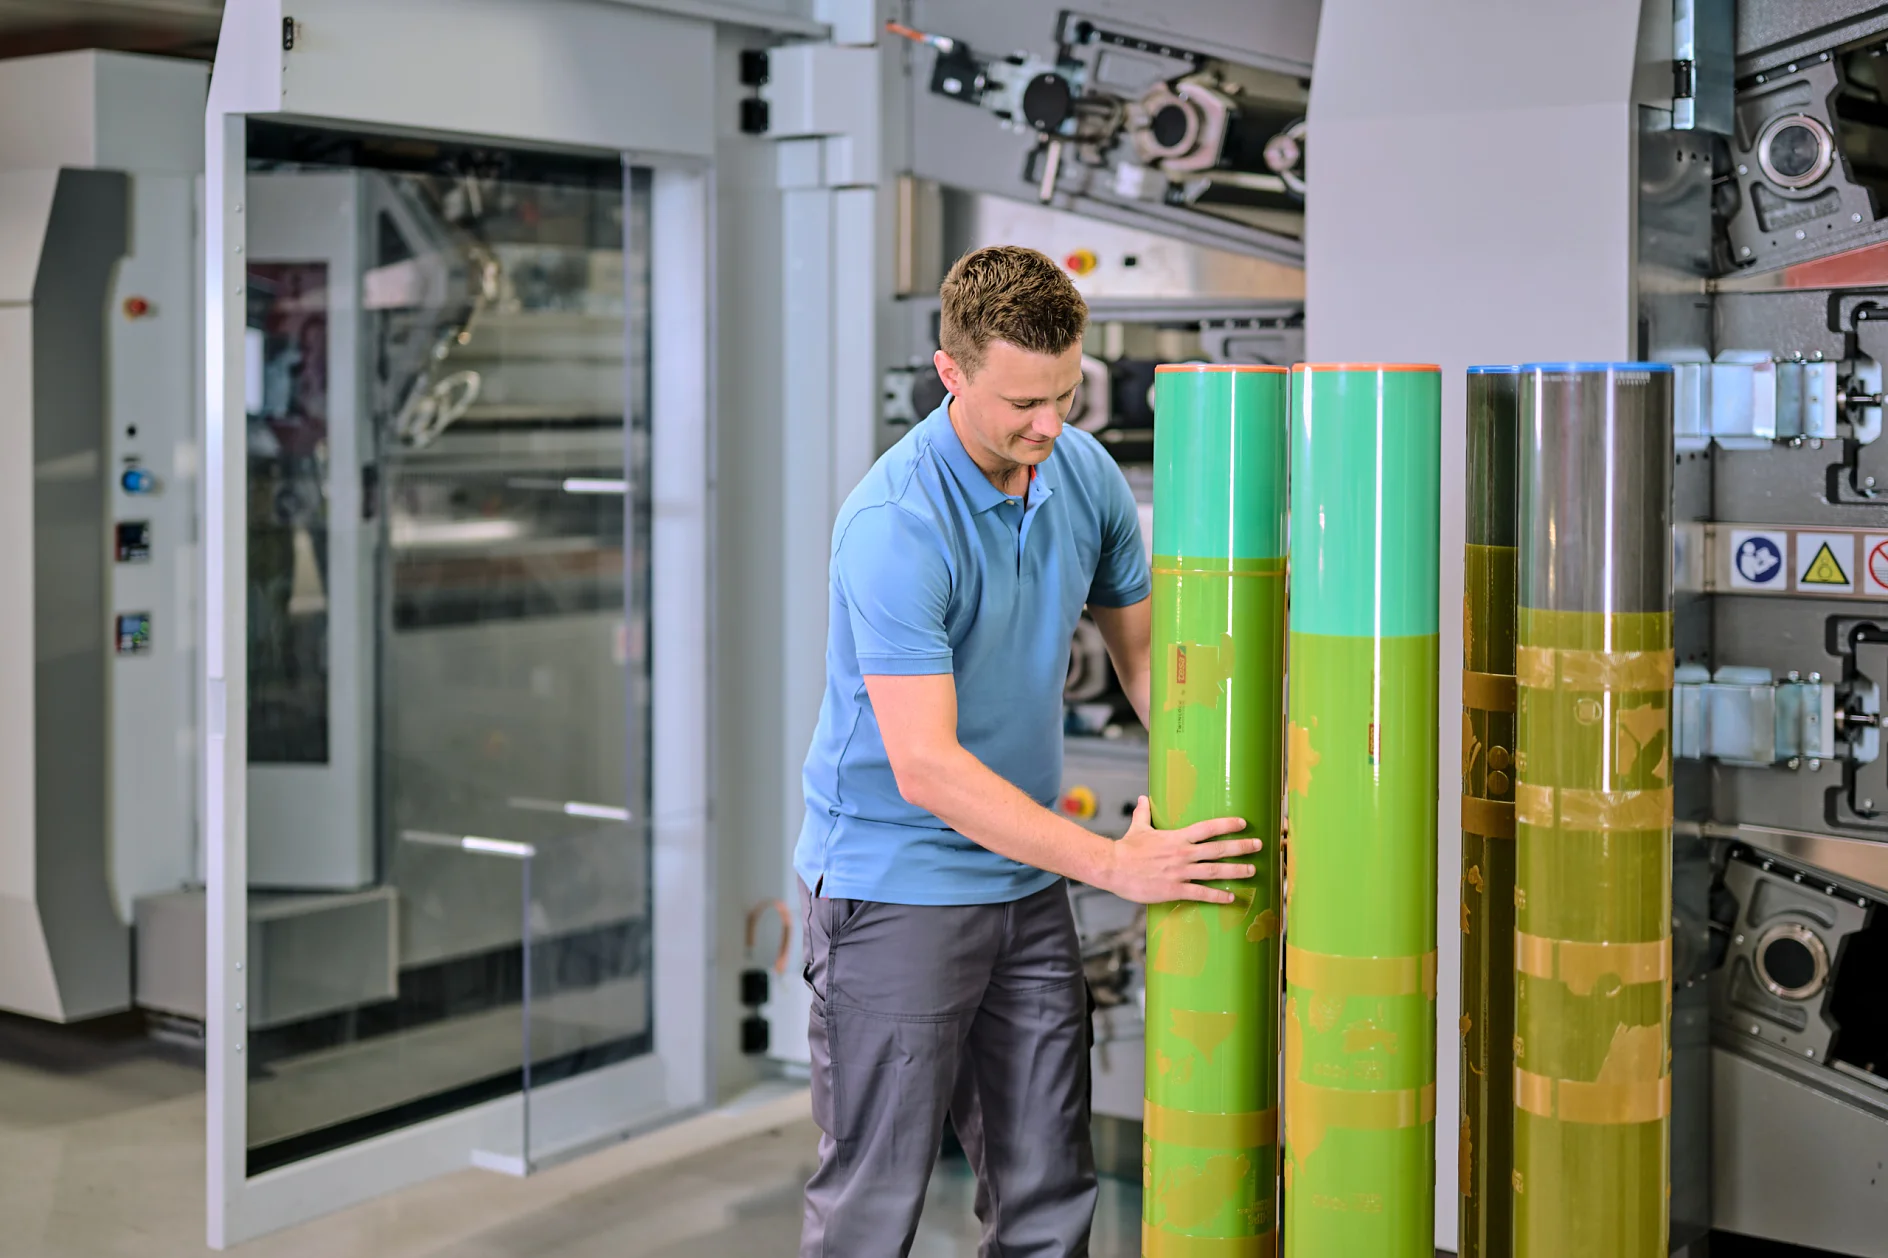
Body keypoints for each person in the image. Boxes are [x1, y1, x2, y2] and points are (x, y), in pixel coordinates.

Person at [794, 244, 1259, 1255]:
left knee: (1049, 1187)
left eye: (1066, 394)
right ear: (949, 372)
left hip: (1022, 883)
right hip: (894, 888)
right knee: (873, 1201)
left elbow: (1146, 665)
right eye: (1021, 405)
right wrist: (1115, 864)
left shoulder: (1080, 471)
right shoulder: (894, 524)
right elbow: (927, 766)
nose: (1048, 426)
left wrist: (1219, 798)